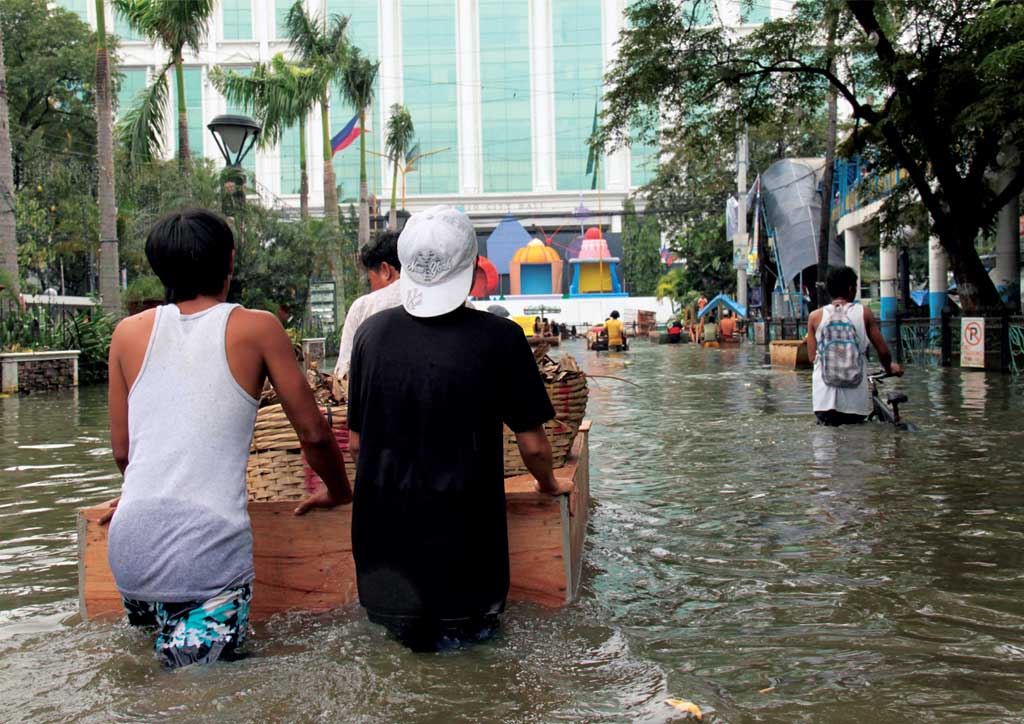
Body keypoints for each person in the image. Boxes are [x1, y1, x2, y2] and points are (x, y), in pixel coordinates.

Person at [103, 209, 352, 668]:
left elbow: (124, 451)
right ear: (230, 261)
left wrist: (145, 491)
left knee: (149, 684)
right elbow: (315, 434)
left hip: (131, 545)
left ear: (158, 268)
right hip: (205, 553)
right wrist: (339, 492)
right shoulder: (257, 327)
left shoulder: (127, 334)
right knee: (201, 696)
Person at [320, 205, 574, 652]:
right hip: (465, 563)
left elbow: (358, 443)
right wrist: (550, 484)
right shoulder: (502, 338)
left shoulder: (370, 335)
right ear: (474, 270)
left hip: (383, 562)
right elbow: (533, 447)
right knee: (468, 670)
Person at [806, 265, 903, 426]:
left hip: (823, 400)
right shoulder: (863, 313)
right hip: (854, 402)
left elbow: (811, 357)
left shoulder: (814, 317)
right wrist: (889, 368)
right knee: (856, 444)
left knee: (826, 446)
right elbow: (883, 352)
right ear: (851, 289)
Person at [334, 231, 402, 378]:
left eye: (371, 279)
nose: (371, 287)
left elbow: (344, 373)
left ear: (385, 270)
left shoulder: (363, 307)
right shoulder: (443, 302)